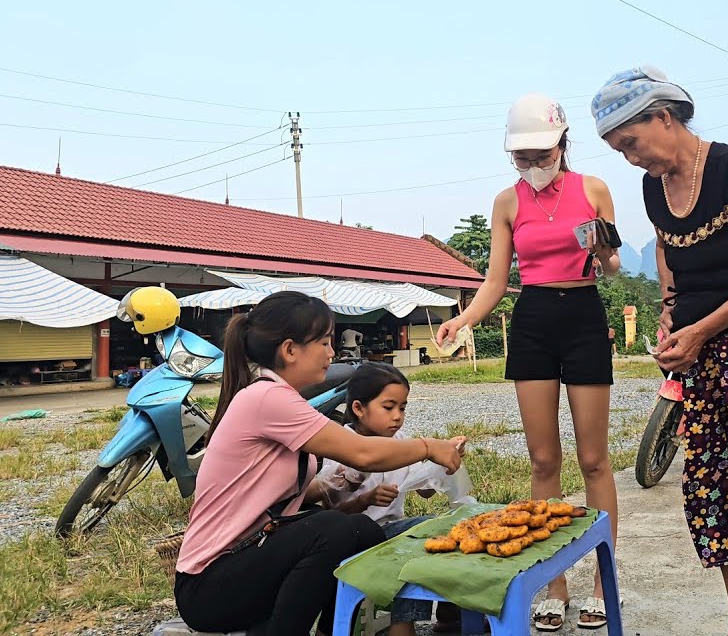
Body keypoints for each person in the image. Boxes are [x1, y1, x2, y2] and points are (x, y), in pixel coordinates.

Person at [592, 66, 728, 636]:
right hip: (700, 357)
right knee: (714, 488)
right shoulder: (652, 187)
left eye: (632, 143)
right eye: (620, 151)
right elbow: (667, 250)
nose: (631, 159)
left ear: (664, 117)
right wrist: (669, 313)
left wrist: (703, 329)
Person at [173, 291, 466, 636]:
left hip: (249, 561)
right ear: (290, 350)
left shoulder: (275, 396)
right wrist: (429, 447)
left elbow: (295, 491)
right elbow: (364, 452)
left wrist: (339, 484)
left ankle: (333, 629)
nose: (332, 352)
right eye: (325, 342)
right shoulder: (266, 397)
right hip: (210, 584)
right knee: (337, 529)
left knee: (361, 529)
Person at [436, 93, 620, 631]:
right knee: (543, 460)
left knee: (594, 460)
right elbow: (497, 280)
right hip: (533, 320)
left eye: (542, 154)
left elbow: (609, 269)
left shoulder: (594, 189)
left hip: (584, 312)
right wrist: (463, 319)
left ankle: (600, 585)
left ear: (562, 143)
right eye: (522, 157)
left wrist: (607, 252)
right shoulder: (507, 203)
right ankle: (552, 583)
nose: (534, 165)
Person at [307, 362, 460, 636]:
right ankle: (403, 626)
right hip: (355, 537)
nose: (397, 417)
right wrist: (366, 499)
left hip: (392, 532)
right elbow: (332, 511)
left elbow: (423, 490)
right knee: (420, 534)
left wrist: (443, 462)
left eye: (402, 408)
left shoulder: (401, 443)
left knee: (448, 527)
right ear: (358, 408)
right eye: (388, 407)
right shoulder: (344, 444)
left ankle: (452, 612)